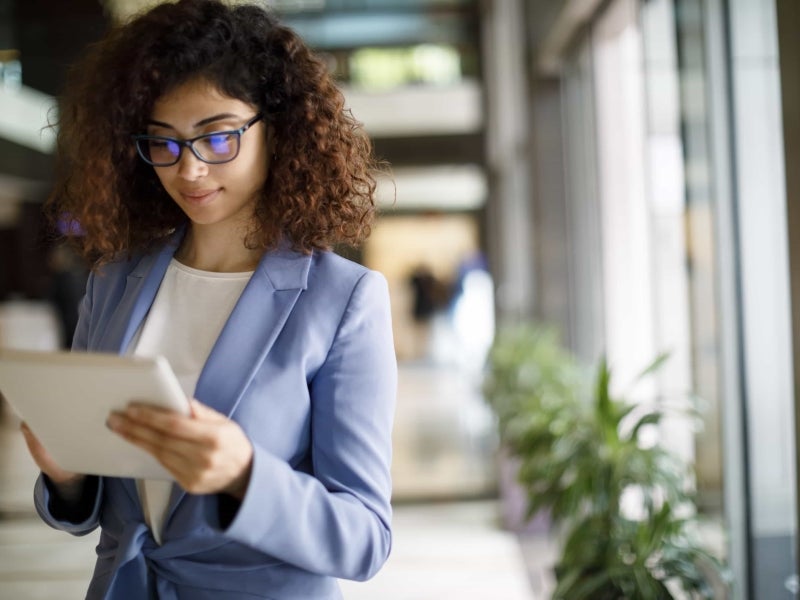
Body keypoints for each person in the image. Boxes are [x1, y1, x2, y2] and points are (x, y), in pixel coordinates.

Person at [19, 1, 397, 598]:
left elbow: (365, 537)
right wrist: (66, 476)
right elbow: (101, 507)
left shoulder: (342, 299)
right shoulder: (114, 281)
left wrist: (245, 477)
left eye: (217, 137)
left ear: (279, 127)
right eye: (163, 143)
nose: (189, 170)